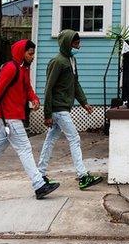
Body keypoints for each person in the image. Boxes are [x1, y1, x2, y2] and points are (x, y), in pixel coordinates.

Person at [0, 40, 60, 200]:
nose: (33, 57)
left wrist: (34, 99)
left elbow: (27, 88)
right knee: (25, 149)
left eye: (33, 53)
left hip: (8, 118)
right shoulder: (11, 69)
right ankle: (39, 185)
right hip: (9, 118)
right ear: (22, 52)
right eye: (30, 53)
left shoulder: (23, 69)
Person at [37, 30, 103, 191]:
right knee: (74, 138)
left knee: (50, 140)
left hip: (63, 107)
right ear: (67, 43)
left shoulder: (71, 60)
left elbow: (75, 84)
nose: (78, 45)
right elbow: (48, 88)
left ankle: (40, 173)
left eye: (78, 42)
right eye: (75, 43)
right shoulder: (57, 62)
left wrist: (84, 103)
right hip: (58, 109)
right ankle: (82, 176)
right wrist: (47, 114)